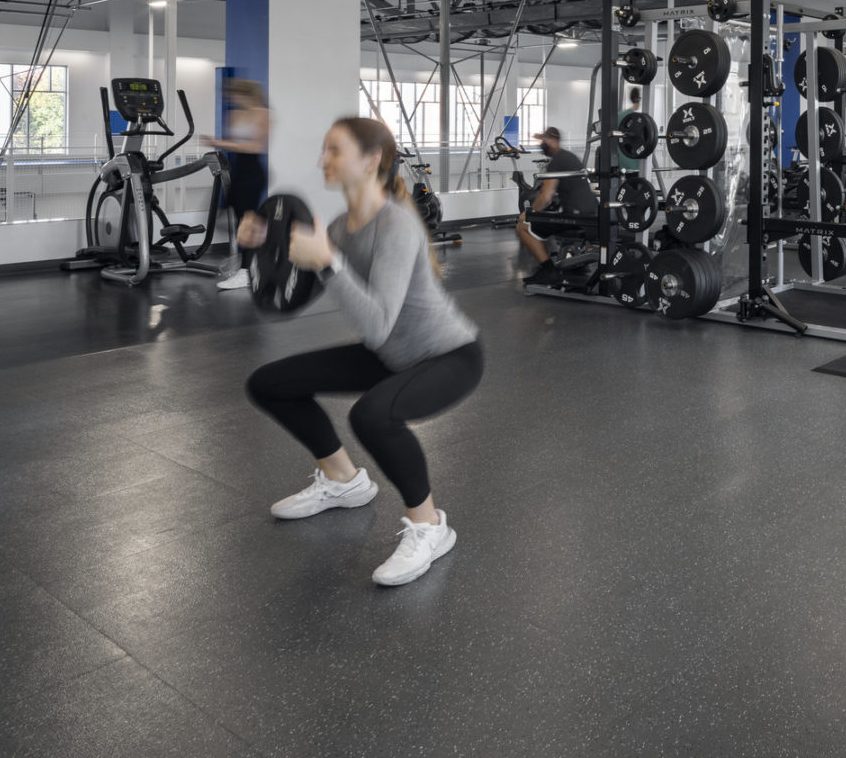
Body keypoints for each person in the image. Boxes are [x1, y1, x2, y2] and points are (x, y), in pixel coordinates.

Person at [242, 117, 482, 587]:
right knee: (269, 383)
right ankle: (342, 480)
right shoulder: (339, 226)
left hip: (448, 355)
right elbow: (293, 297)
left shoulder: (396, 225)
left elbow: (376, 323)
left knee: (373, 416)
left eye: (334, 150)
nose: (322, 161)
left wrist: (328, 261)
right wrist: (263, 247)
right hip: (391, 354)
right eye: (323, 150)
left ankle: (431, 527)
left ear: (371, 161)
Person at [201, 78, 269, 291]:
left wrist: (219, 143)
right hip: (237, 170)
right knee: (229, 216)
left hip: (253, 172)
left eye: (234, 95)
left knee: (246, 221)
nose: (231, 98)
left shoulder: (264, 114)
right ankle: (246, 263)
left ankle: (247, 272)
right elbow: (237, 144)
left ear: (246, 94)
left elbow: (256, 146)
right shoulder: (235, 114)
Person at [515, 125, 588, 284]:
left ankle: (548, 271)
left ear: (554, 140)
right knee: (543, 219)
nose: (542, 144)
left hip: (576, 217)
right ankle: (578, 261)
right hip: (590, 213)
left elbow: (546, 197)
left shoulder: (558, 161)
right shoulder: (570, 157)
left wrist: (529, 214)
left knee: (523, 226)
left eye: (544, 140)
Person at [619, 88, 642, 173]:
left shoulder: (621, 116)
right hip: (632, 160)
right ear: (637, 98)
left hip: (622, 159)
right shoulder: (636, 117)